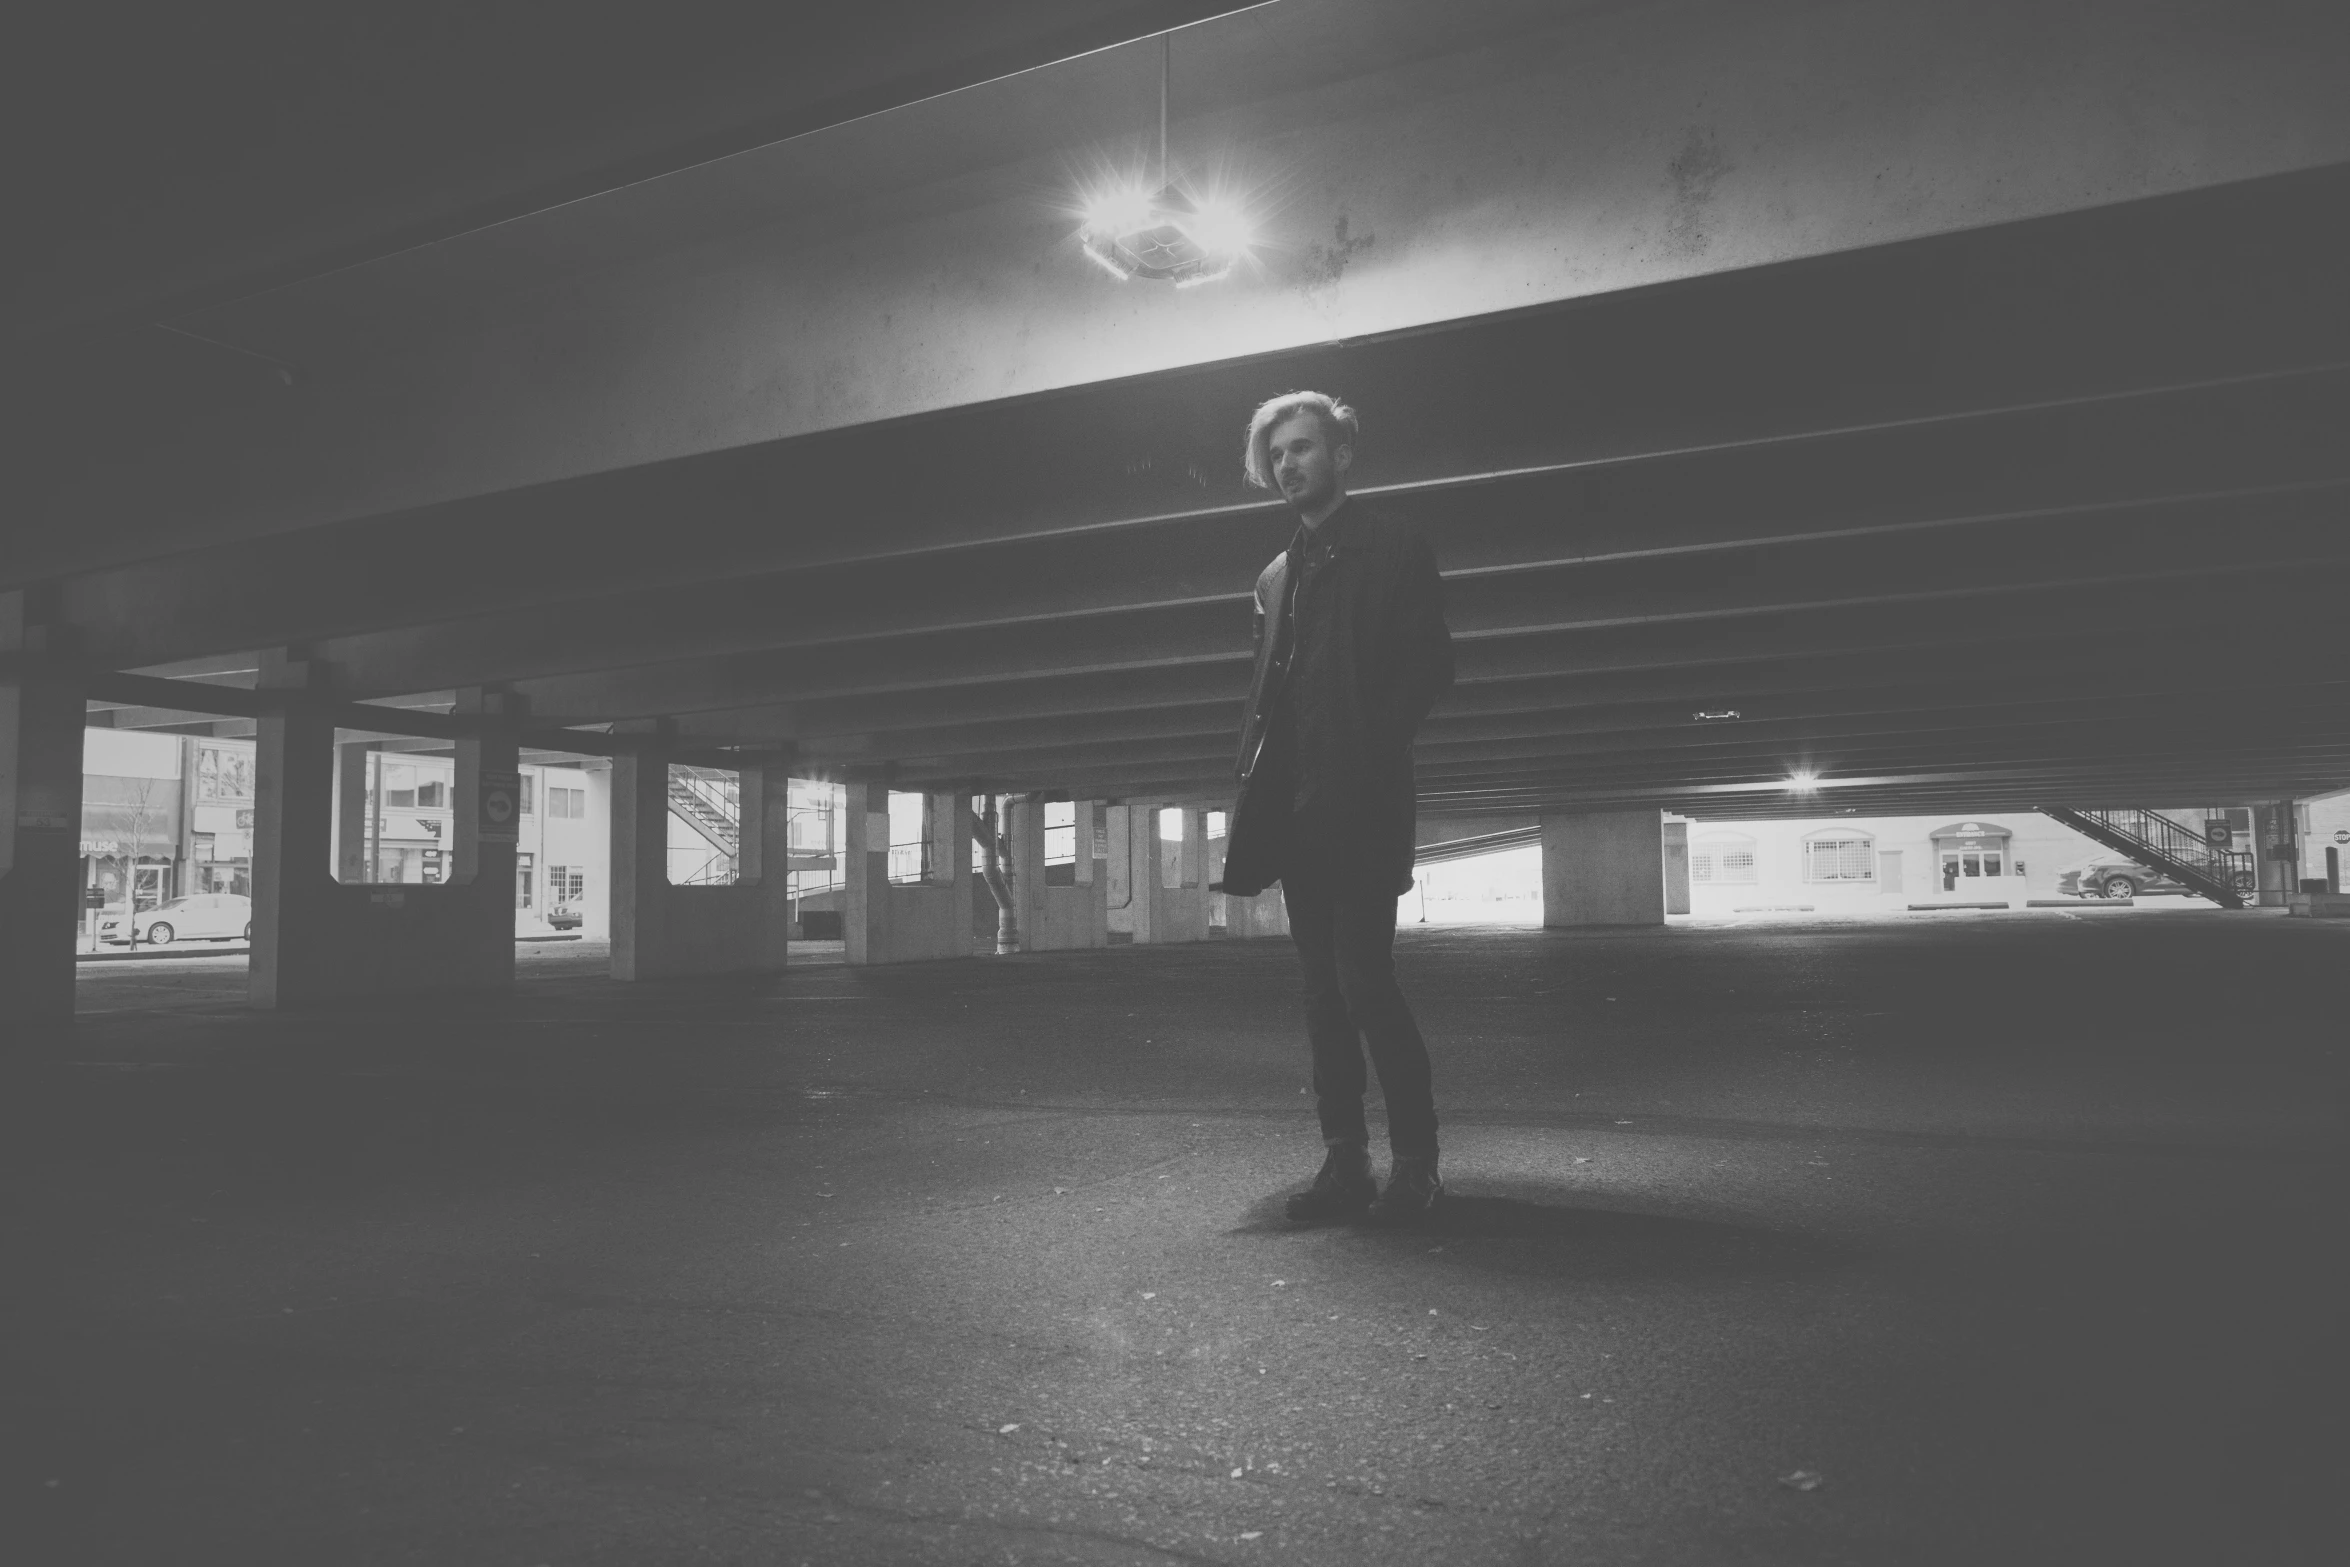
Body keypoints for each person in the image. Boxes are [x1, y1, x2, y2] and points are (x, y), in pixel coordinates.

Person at [1210, 391, 1454, 1223]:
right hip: (1296, 814)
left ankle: (1416, 1164)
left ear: (1341, 454)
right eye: (1277, 454)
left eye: (1303, 448)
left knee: (1364, 983)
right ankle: (1344, 1160)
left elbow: (1428, 668)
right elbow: (1268, 693)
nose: (1289, 465)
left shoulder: (1392, 546)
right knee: (1322, 993)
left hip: (1363, 805)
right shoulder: (1276, 575)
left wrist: (1366, 754)